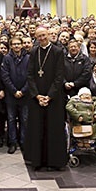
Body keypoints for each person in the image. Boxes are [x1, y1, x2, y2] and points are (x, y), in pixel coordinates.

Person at [24, 26, 67, 171]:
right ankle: (37, 161)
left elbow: (59, 76)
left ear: (48, 34)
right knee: (37, 129)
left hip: (53, 98)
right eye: (39, 36)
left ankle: (54, 161)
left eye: (43, 35)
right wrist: (36, 95)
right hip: (36, 98)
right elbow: (29, 75)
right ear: (35, 37)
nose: (42, 38)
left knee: (52, 129)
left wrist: (49, 96)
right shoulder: (34, 51)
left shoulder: (57, 51)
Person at [0, 37, 29, 154]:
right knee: (11, 119)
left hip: (25, 94)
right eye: (14, 44)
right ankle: (12, 142)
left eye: (18, 44)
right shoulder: (6, 58)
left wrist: (23, 90)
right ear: (11, 46)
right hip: (11, 95)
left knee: (24, 119)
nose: (16, 46)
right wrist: (14, 91)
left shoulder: (28, 58)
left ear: (22, 45)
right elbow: (5, 76)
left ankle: (23, 142)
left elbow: (31, 76)